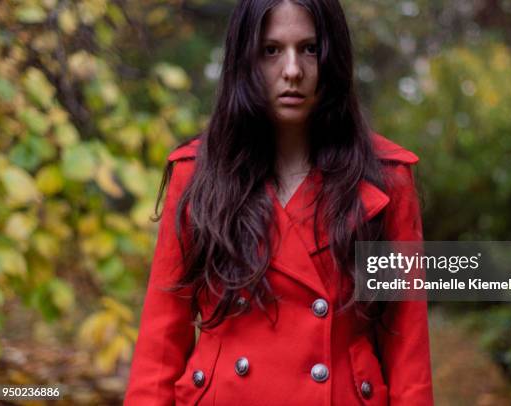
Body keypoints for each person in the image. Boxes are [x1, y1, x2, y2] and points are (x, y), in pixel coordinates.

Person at [124, 0, 433, 404]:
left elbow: (406, 344)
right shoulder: (197, 174)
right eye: (271, 50)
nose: (292, 71)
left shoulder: (388, 178)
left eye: (309, 49)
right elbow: (161, 343)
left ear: (333, 57)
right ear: (243, 60)